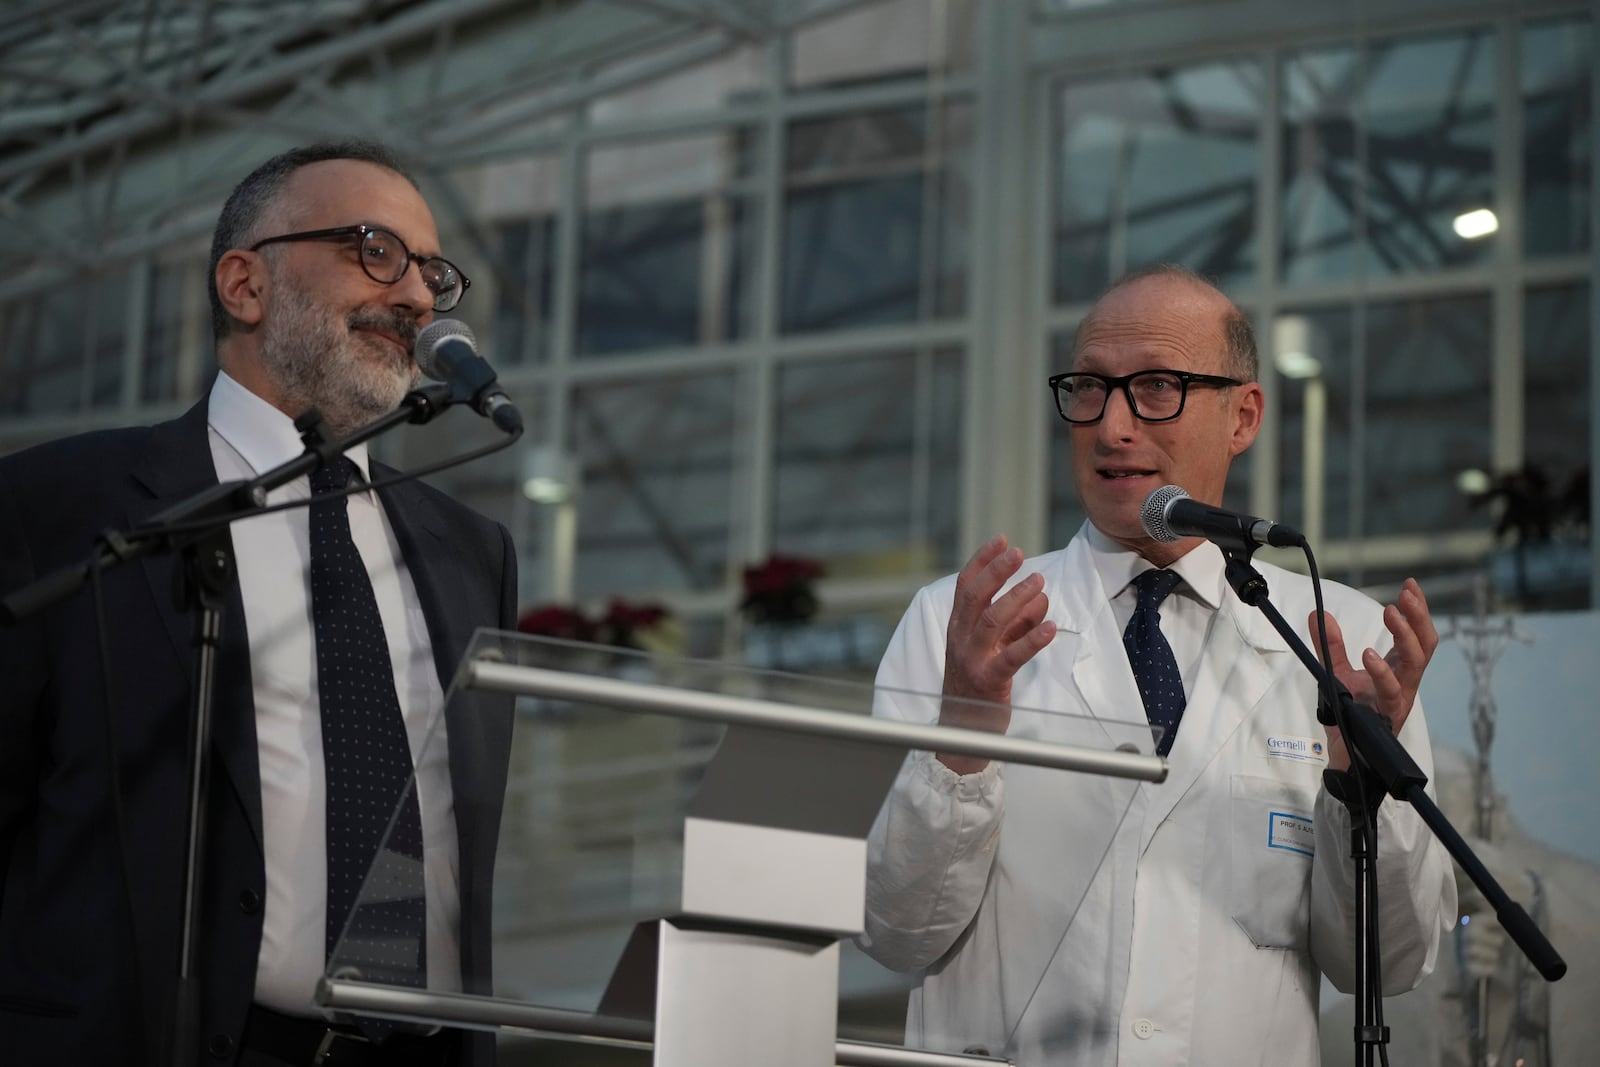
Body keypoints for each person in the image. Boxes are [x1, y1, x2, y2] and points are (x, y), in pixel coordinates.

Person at [859, 264, 1457, 1065]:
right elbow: (893, 929)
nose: (1111, 427)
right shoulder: (960, 625)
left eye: (1156, 387)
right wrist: (963, 728)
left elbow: (1386, 962)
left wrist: (1360, 787)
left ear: (1243, 415)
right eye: (1090, 389)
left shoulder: (1341, 640)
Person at [0, 141, 517, 1066]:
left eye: (431, 272)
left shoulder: (471, 551)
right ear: (244, 284)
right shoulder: (61, 507)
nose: (415, 297)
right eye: (375, 250)